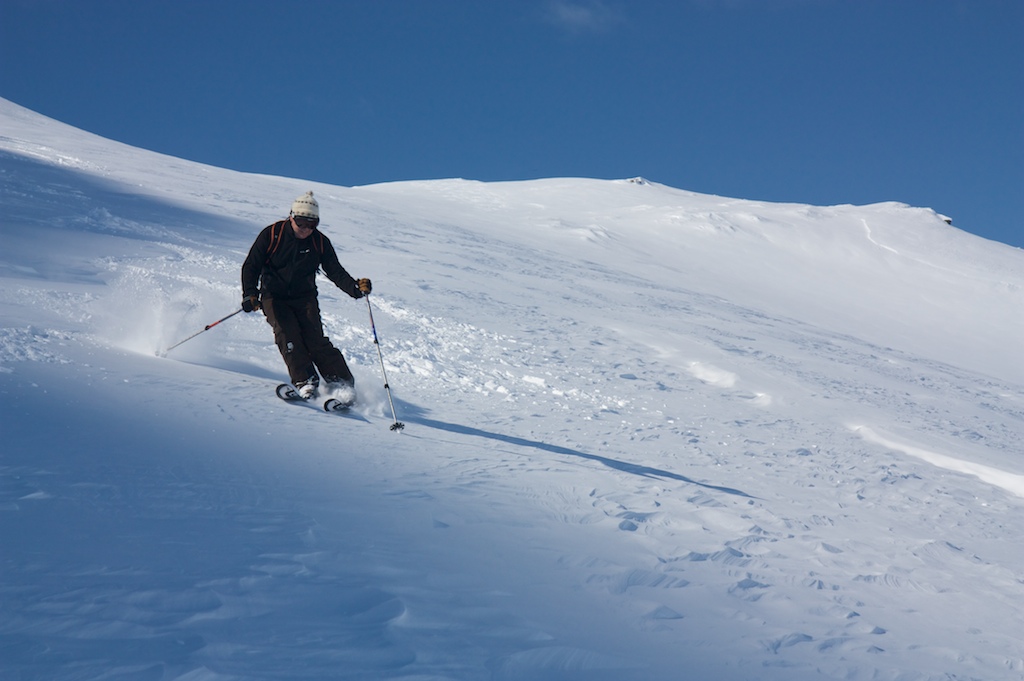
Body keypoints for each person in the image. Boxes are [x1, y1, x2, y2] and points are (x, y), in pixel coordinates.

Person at [241, 191, 372, 400]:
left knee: (315, 340)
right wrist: (250, 294)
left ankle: (342, 383)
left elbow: (335, 271)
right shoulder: (272, 234)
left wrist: (355, 288)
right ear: (291, 217)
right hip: (274, 296)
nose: (306, 229)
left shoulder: (320, 242)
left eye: (312, 224)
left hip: (305, 298)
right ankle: (305, 381)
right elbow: (251, 265)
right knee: (287, 334)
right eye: (301, 222)